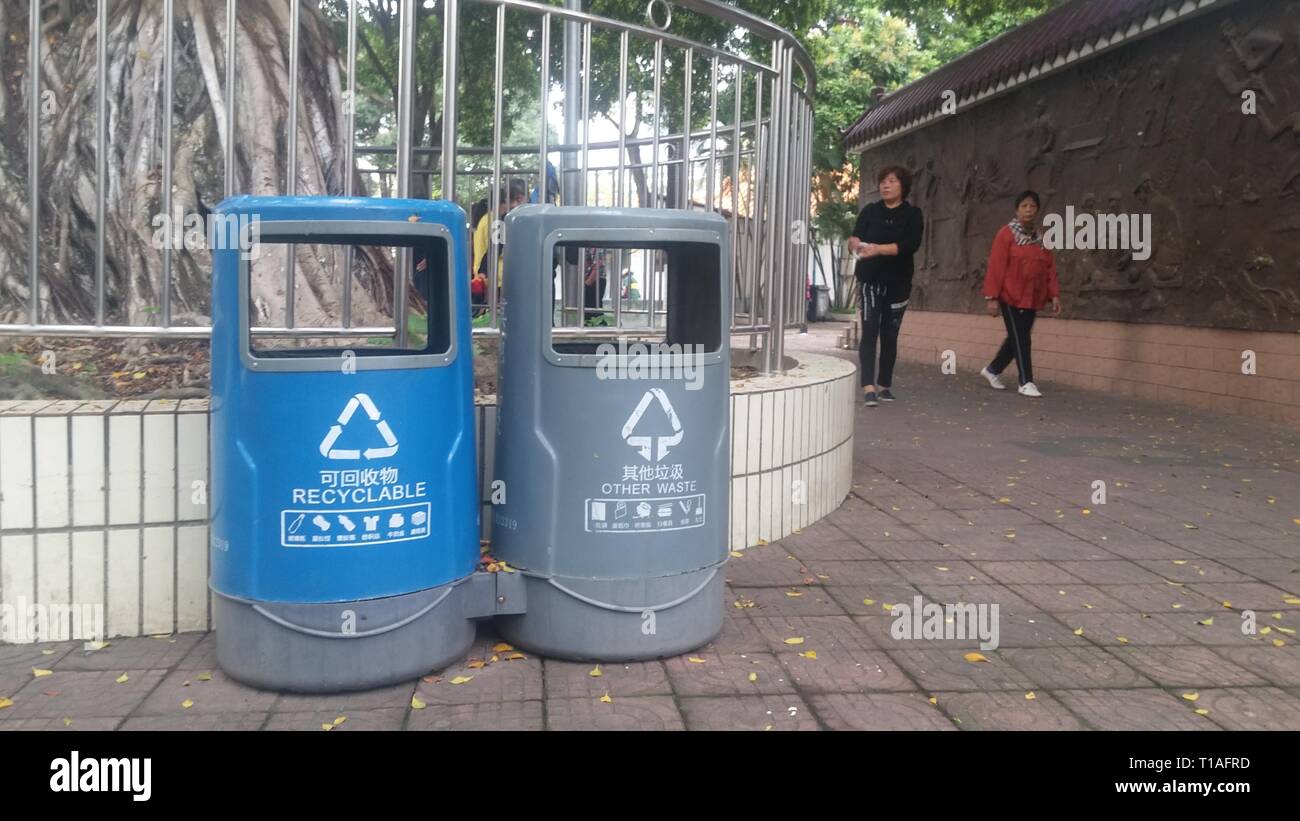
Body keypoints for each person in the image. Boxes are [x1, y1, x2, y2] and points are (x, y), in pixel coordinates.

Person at [849, 165, 924, 407]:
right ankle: (868, 387)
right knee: (870, 331)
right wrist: (855, 244)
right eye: (883, 181)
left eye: (891, 181)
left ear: (903, 186)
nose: (886, 185)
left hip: (898, 282)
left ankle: (884, 385)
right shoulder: (870, 211)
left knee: (890, 334)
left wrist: (878, 249)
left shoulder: (913, 215)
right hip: (870, 279)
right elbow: (855, 237)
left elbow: (910, 245)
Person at [979, 189, 1061, 398]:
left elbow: (1049, 268)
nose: (1028, 210)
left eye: (1032, 206)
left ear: (1037, 210)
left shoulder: (1040, 238)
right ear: (1017, 210)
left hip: (1032, 297)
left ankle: (992, 370)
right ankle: (1026, 382)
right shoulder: (1006, 235)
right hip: (1010, 296)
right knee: (1022, 339)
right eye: (1024, 206)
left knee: (1017, 338)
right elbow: (996, 266)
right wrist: (992, 297)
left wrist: (1054, 295)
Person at [472, 179, 529, 305]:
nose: (514, 204)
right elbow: (494, 247)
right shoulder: (501, 220)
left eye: (518, 200)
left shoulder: (498, 218)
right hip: (502, 277)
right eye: (512, 200)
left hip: (506, 276)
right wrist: (484, 271)